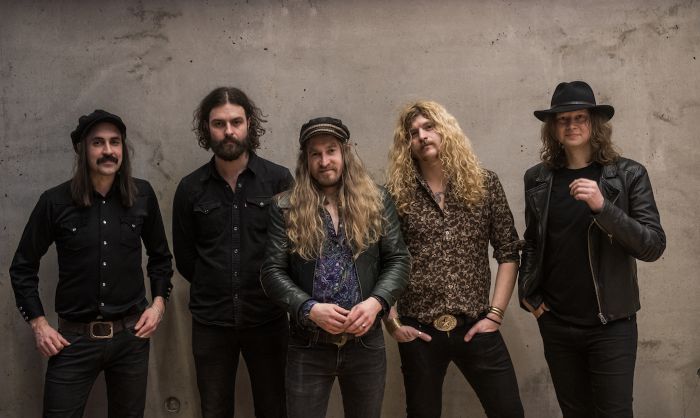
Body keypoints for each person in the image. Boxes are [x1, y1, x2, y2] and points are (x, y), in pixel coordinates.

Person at [9, 109, 173, 417]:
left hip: (130, 340)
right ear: (82, 149)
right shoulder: (54, 201)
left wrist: (158, 306)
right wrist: (39, 324)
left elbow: (161, 258)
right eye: (98, 142)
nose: (108, 150)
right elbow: (22, 267)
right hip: (72, 341)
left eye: (115, 142)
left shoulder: (143, 195)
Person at [519, 81, 666, 417]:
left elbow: (653, 245)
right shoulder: (538, 179)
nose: (571, 125)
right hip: (557, 323)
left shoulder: (628, 175)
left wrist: (603, 207)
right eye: (563, 119)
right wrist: (529, 296)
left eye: (580, 117)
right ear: (553, 128)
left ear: (594, 123)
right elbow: (533, 241)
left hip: (611, 324)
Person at [260, 116, 410, 418]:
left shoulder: (377, 200)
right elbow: (271, 272)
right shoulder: (285, 206)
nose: (324, 161)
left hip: (365, 344)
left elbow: (399, 260)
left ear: (345, 152)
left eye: (331, 150)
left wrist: (376, 303)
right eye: (315, 153)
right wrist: (309, 308)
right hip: (308, 344)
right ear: (305, 160)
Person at [385, 100, 524, 418]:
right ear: (407, 144)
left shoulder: (484, 184)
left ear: (445, 130)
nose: (422, 136)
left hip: (476, 325)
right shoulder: (395, 195)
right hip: (419, 331)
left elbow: (507, 251)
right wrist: (392, 322)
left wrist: (495, 315)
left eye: (428, 127)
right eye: (413, 132)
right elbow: (384, 259)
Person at [172, 87, 293, 418]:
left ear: (249, 124)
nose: (228, 131)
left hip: (267, 318)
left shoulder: (278, 180)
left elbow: (293, 248)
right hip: (211, 322)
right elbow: (185, 258)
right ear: (206, 128)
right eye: (219, 123)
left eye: (236, 122)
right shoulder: (190, 188)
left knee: (274, 408)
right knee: (214, 410)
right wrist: (215, 283)